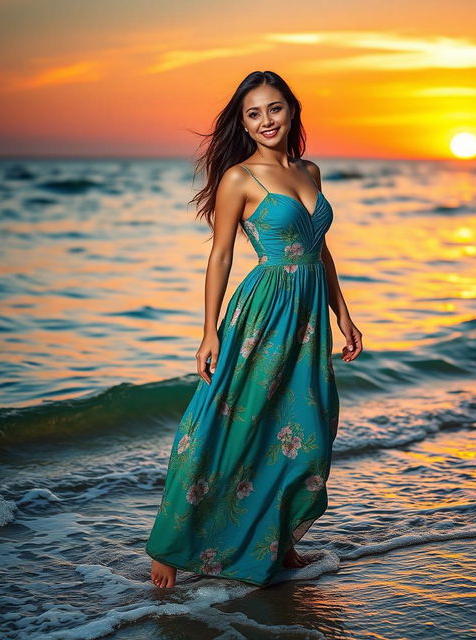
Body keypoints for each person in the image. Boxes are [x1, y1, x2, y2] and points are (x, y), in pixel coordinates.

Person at [146, 70, 363, 588]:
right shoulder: (239, 177)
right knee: (227, 423)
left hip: (308, 317)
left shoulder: (310, 169)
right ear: (243, 123)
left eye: (275, 108)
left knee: (304, 431)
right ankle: (169, 546)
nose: (266, 120)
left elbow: (320, 251)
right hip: (263, 311)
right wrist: (209, 331)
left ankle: (280, 542)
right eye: (254, 113)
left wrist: (343, 313)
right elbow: (221, 255)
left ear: (292, 110)